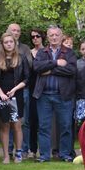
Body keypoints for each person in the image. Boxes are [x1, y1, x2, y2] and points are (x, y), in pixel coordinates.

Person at [33, 25, 77, 162]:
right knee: (44, 127)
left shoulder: (69, 53)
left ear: (61, 36)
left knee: (65, 126)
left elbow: (71, 70)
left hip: (63, 95)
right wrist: (56, 62)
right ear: (47, 37)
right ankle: (44, 156)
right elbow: (37, 67)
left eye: (56, 35)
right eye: (51, 35)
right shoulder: (41, 52)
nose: (54, 37)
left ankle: (64, 154)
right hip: (44, 96)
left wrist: (51, 70)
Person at [0, 32, 30, 163]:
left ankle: (18, 153)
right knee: (5, 125)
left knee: (17, 125)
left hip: (16, 94)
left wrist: (14, 89)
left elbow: (26, 78)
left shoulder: (21, 57)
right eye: (6, 42)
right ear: (2, 44)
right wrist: (1, 94)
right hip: (1, 95)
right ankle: (6, 155)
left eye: (11, 42)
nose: (9, 44)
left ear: (15, 43)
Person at [26, 28, 46, 158]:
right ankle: (33, 149)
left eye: (37, 36)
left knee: (44, 121)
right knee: (32, 120)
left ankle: (45, 149)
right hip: (31, 89)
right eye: (32, 37)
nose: (35, 39)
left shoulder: (47, 51)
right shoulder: (28, 53)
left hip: (45, 88)